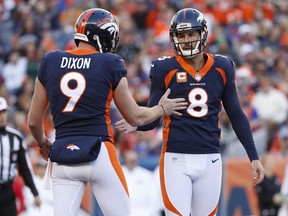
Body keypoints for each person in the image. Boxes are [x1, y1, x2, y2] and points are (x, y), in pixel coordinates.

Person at [27, 8, 187, 216]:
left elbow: (33, 121)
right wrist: (162, 108)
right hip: (99, 151)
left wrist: (42, 143)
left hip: (63, 153)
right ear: (102, 35)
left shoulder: (50, 61)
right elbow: (136, 116)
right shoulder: (109, 63)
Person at [115, 8, 265, 216]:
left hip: (210, 158)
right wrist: (138, 120)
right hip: (176, 157)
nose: (186, 40)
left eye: (191, 34)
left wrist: (253, 157)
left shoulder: (222, 67)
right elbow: (151, 121)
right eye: (181, 35)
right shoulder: (164, 69)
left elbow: (236, 115)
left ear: (202, 34)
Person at [0, 97, 41, 216]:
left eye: (3, 111)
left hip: (7, 192)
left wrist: (35, 193)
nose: (2, 116)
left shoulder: (16, 137)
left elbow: (24, 168)